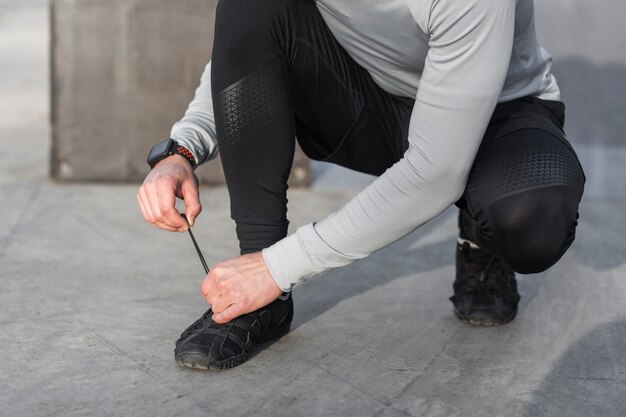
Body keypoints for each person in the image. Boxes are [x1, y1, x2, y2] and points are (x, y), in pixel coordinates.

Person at [137, 0, 585, 370]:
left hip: (497, 116)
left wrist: (282, 265)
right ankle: (258, 296)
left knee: (531, 220)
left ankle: (479, 238)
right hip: (373, 101)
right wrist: (183, 148)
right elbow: (249, 39)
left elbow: (437, 168)